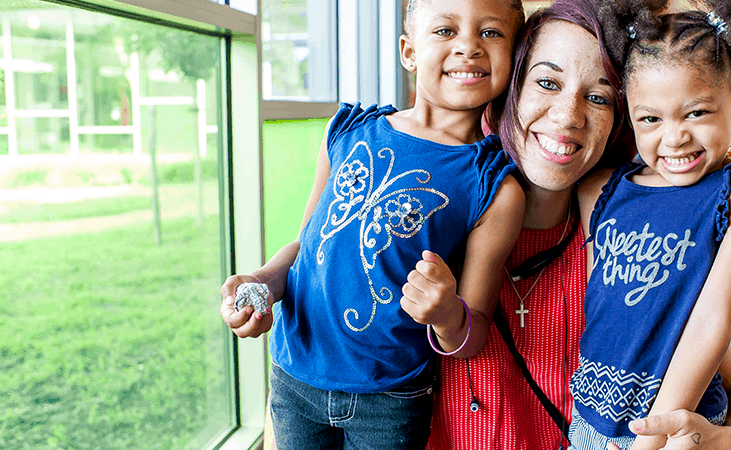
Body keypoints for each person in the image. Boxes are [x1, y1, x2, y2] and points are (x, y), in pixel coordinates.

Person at [427, 0, 731, 449]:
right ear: (511, 87)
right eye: (547, 82)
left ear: (620, 119)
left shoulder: (636, 239)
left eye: (598, 97)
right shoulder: (435, 219)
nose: (568, 116)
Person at [219, 0, 527, 448]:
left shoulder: (494, 188)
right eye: (445, 31)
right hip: (294, 376)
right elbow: (306, 247)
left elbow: (473, 332)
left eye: (491, 33)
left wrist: (447, 312)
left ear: (512, 57)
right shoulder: (347, 131)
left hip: (391, 398)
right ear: (409, 52)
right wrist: (264, 283)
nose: (469, 47)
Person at [569, 1, 731, 449]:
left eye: (696, 113)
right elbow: (609, 312)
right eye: (650, 118)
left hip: (678, 429)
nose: (674, 137)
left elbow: (711, 316)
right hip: (586, 423)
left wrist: (653, 438)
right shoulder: (601, 191)